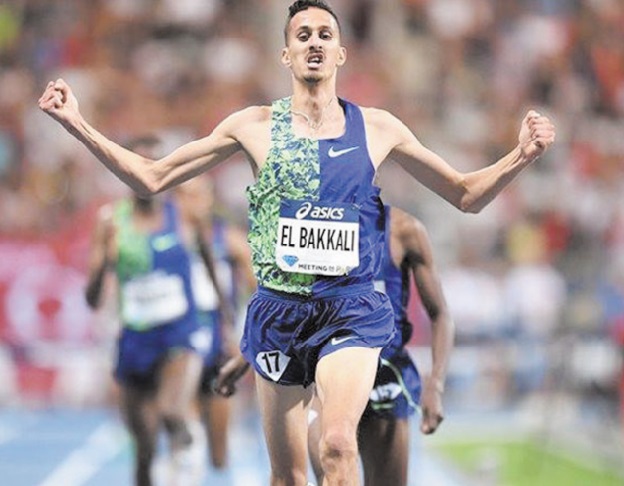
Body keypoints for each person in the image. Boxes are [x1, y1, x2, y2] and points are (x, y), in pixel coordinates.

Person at [39, 1, 556, 484]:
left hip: (351, 307)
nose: (315, 42)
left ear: (340, 52)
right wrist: (77, 123)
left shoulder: (377, 128)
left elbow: (466, 194)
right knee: (288, 476)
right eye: (303, 35)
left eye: (325, 35)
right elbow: (152, 177)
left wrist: (522, 155)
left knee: (336, 445)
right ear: (286, 53)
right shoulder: (254, 126)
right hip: (279, 313)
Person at [83, 136, 214, 486]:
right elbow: (92, 299)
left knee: (171, 410)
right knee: (143, 446)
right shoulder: (111, 221)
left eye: (150, 165)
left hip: (178, 332)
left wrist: (225, 323)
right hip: (134, 338)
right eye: (133, 167)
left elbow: (209, 262)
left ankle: (187, 444)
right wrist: (103, 266)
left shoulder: (184, 213)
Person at [308, 205, 454, 485]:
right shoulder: (308, 222)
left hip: (384, 376)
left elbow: (440, 314)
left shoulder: (403, 230)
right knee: (333, 463)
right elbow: (280, 300)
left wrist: (434, 385)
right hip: (324, 375)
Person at [173, 174, 255, 472]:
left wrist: (242, 335)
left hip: (219, 346)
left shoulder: (228, 240)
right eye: (186, 196)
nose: (193, 204)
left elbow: (260, 292)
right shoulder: (168, 239)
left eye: (200, 195)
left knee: (219, 457)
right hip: (181, 344)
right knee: (187, 440)